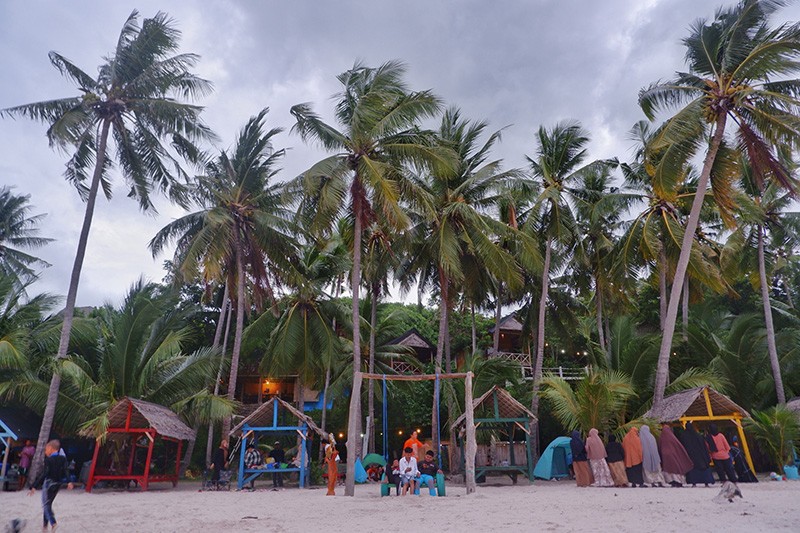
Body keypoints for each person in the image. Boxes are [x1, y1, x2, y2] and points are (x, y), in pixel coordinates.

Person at [27, 439, 74, 531]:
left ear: (51, 448)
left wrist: (34, 486)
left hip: (49, 483)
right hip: (58, 483)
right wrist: (69, 482)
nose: (45, 451)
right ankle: (45, 526)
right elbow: (66, 470)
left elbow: (45, 474)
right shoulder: (63, 458)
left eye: (46, 449)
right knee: (48, 504)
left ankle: (53, 522)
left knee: (45, 504)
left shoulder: (48, 460)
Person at [679, 422, 714, 487]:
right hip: (701, 455)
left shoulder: (684, 436)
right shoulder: (698, 435)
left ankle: (693, 483)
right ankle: (706, 482)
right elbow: (704, 446)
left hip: (691, 455)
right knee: (703, 468)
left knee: (693, 469)